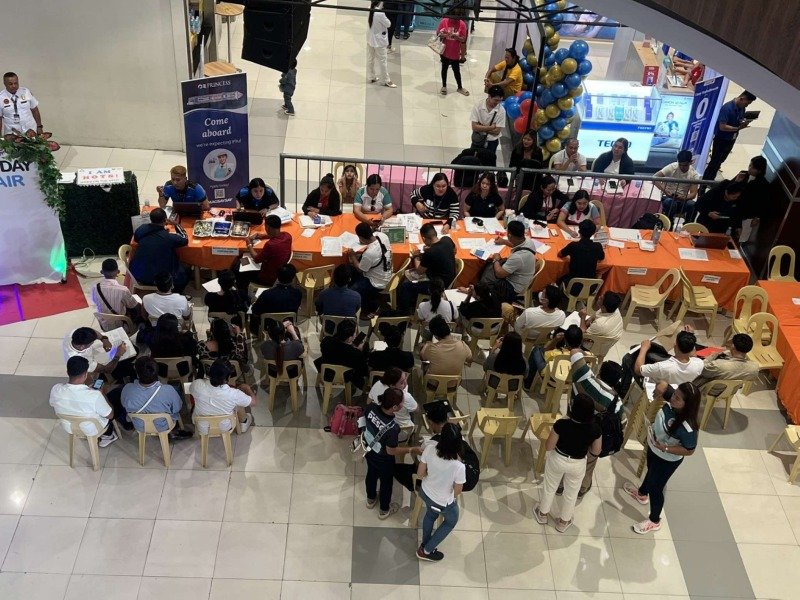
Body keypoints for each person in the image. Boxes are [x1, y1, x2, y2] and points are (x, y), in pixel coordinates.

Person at [624, 381, 700, 534]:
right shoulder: (673, 399)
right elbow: (663, 385)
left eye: (677, 398)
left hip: (667, 460)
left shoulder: (688, 429)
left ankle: (654, 520)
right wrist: (661, 386)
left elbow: (689, 450)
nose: (672, 398)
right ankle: (642, 493)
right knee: (650, 471)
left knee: (656, 487)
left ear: (687, 405)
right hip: (654, 447)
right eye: (674, 394)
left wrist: (665, 448)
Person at [534, 392, 602, 532]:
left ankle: (542, 514)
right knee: (572, 493)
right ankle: (563, 522)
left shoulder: (561, 424)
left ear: (572, 407)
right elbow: (596, 451)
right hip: (578, 463)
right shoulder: (595, 429)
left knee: (550, 487)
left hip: (558, 459)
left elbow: (549, 446)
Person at [569, 348, 624, 496]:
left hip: (571, 426)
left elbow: (574, 352)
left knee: (566, 457)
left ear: (599, 373)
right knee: (588, 464)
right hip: (593, 438)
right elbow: (621, 423)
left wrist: (584, 353)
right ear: (616, 382)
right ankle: (582, 488)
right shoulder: (617, 403)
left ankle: (561, 485)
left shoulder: (583, 379)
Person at [363, 387, 422, 519]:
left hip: (369, 450)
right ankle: (384, 510)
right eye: (402, 403)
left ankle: (370, 499)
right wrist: (411, 449)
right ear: (394, 407)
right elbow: (391, 451)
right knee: (386, 483)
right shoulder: (392, 428)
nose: (403, 404)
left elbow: (363, 423)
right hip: (384, 459)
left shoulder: (371, 407)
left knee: (371, 474)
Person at [416, 423, 466, 561]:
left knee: (430, 514)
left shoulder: (429, 449)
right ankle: (426, 551)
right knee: (451, 521)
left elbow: (420, 473)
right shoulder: (459, 466)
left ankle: (424, 544)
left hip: (426, 492)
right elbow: (457, 491)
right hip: (443, 501)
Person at [50, 356, 118, 447]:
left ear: (67, 372)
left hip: (69, 427)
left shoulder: (56, 389)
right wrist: (102, 394)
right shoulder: (95, 395)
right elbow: (110, 415)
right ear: (86, 374)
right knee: (114, 398)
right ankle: (108, 435)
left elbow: (52, 403)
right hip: (92, 429)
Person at [121, 356, 193, 440]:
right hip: (164, 426)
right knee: (173, 407)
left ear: (137, 374)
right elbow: (177, 407)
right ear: (157, 372)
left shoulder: (127, 388)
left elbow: (124, 405)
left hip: (140, 426)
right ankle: (172, 432)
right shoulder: (168, 389)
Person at [397, 222, 456, 314]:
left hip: (437, 285)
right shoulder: (447, 239)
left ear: (424, 238)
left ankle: (403, 313)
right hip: (450, 278)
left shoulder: (430, 253)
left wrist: (416, 257)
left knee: (405, 286)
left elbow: (419, 271)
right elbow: (454, 251)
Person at [129, 208, 189, 292]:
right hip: (157, 279)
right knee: (185, 270)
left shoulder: (141, 228)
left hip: (137, 274)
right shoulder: (168, 238)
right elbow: (185, 239)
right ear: (165, 220)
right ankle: (176, 293)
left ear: (150, 219)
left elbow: (136, 237)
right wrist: (176, 224)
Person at [702, 91, 757, 183]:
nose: (747, 106)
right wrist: (738, 128)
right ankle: (704, 183)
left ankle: (711, 180)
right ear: (742, 98)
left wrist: (745, 122)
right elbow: (722, 127)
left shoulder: (742, 108)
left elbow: (739, 120)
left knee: (720, 161)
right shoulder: (727, 108)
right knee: (714, 163)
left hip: (731, 139)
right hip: (721, 140)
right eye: (747, 103)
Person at [190, 359, 255, 433]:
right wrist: (248, 389)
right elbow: (253, 402)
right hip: (224, 428)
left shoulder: (196, 384)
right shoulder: (234, 393)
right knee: (238, 403)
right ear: (228, 377)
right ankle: (244, 422)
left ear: (209, 372)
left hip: (202, 427)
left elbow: (191, 392)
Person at [482, 220, 537, 302]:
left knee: (486, 278)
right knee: (492, 267)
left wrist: (496, 259)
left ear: (509, 235)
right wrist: (504, 242)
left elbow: (499, 274)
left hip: (512, 288)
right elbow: (517, 245)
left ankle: (485, 298)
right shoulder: (528, 241)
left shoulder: (518, 257)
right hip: (522, 277)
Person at [348, 222, 393, 315]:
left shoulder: (369, 254)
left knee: (352, 293)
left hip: (376, 282)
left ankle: (368, 310)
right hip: (386, 271)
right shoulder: (382, 236)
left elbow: (361, 270)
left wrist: (352, 256)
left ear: (361, 238)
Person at [634, 329, 704, 386]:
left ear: (676, 346)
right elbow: (694, 355)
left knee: (631, 356)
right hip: (677, 389)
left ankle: (627, 388)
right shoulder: (699, 363)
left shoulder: (663, 367)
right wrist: (690, 336)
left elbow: (638, 370)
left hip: (656, 387)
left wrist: (644, 348)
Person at [240, 214, 293, 288]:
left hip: (266, 278)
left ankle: (243, 291)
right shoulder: (287, 236)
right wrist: (262, 236)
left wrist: (249, 244)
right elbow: (276, 234)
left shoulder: (270, 245)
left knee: (239, 265)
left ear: (267, 228)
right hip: (278, 272)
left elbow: (256, 259)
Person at [63, 327, 132, 383]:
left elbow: (93, 332)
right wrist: (118, 354)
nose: (93, 342)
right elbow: (107, 370)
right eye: (91, 342)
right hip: (86, 367)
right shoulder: (81, 360)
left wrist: (104, 339)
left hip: (91, 356)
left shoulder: (74, 334)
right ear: (82, 346)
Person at [693, 333, 759, 393]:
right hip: (731, 391)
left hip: (711, 390)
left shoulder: (718, 365)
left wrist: (711, 357)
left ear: (733, 346)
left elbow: (702, 370)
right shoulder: (755, 368)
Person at [249, 264, 303, 335]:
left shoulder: (267, 293)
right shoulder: (298, 293)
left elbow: (255, 311)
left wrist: (254, 303)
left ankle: (256, 333)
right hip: (288, 321)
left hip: (269, 324)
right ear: (293, 278)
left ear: (277, 277)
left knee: (252, 313)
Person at [315, 318, 369, 388]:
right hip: (343, 376)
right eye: (355, 333)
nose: (355, 335)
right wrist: (360, 351)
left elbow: (337, 346)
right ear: (350, 338)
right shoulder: (355, 353)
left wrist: (350, 346)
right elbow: (364, 371)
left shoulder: (326, 341)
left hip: (326, 372)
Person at [92, 258, 141, 333]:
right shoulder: (123, 290)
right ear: (118, 272)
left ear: (101, 272)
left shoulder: (95, 287)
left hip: (104, 325)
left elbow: (95, 301)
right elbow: (133, 305)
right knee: (138, 306)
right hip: (121, 326)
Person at [368, 367, 418, 437]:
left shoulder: (377, 384)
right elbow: (416, 410)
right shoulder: (405, 396)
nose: (406, 383)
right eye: (402, 382)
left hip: (378, 426)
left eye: (405, 378)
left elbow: (368, 402)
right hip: (401, 431)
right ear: (392, 385)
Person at [654, 150, 701, 222]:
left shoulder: (694, 174)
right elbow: (655, 177)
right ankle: (669, 224)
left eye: (685, 165)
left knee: (693, 205)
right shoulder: (672, 167)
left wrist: (684, 197)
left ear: (690, 162)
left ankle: (688, 226)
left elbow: (693, 193)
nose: (682, 167)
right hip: (667, 197)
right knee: (670, 202)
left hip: (682, 200)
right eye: (680, 165)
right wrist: (665, 191)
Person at [558, 220, 605, 290]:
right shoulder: (598, 246)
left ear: (579, 232)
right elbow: (601, 258)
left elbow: (560, 254)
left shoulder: (573, 245)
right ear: (593, 233)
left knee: (559, 279)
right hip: (590, 286)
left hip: (572, 285)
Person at [0, 72, 44, 137]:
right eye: (10, 84)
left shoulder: (26, 92)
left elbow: (35, 110)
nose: (14, 86)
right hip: (12, 134)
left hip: (31, 131)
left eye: (16, 83)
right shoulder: (1, 97)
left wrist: (39, 127)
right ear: (5, 84)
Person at [436, 13, 469, 96]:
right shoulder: (444, 21)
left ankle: (460, 87)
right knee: (444, 68)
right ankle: (444, 86)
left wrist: (457, 37)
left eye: (456, 19)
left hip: (455, 52)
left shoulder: (462, 24)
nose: (454, 20)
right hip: (444, 50)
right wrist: (444, 34)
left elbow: (463, 39)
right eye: (453, 18)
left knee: (456, 70)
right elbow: (438, 33)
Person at [366, 2, 397, 88]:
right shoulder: (380, 13)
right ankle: (386, 80)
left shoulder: (369, 8)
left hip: (370, 39)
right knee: (383, 61)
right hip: (379, 41)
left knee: (370, 58)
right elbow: (388, 24)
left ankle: (371, 77)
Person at [469, 85, 505, 154]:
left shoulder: (502, 111)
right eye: (496, 100)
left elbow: (497, 131)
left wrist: (481, 127)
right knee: (472, 158)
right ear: (489, 96)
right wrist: (491, 127)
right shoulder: (478, 105)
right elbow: (474, 127)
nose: (497, 103)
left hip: (492, 142)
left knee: (489, 160)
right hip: (478, 139)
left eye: (500, 100)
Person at [737, 156, 770, 227]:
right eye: (750, 165)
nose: (749, 168)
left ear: (759, 171)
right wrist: (737, 182)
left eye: (753, 168)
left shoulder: (763, 184)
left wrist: (757, 217)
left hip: (746, 214)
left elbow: (763, 203)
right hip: (735, 207)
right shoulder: (743, 174)